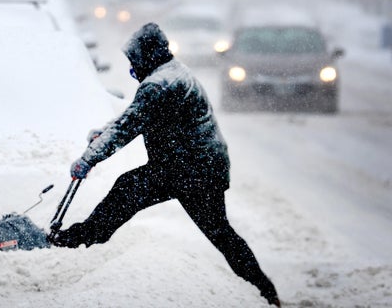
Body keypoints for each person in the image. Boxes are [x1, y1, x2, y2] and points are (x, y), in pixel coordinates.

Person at [48, 23, 280, 306]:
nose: (132, 68)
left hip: (189, 167)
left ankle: (75, 242)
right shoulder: (170, 72)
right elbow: (132, 117)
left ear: (147, 56)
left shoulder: (159, 84)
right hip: (198, 165)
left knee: (128, 188)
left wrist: (88, 158)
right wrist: (103, 132)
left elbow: (127, 126)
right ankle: (265, 292)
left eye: (134, 61)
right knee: (221, 232)